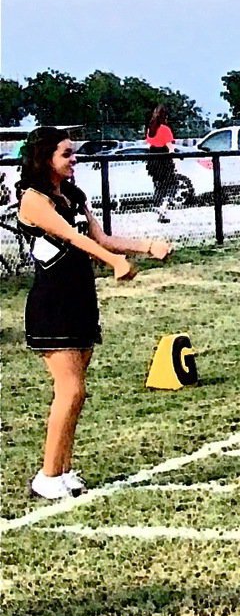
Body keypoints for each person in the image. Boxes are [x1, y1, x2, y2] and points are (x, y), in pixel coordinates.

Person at [17, 126, 172, 500]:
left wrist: (146, 246)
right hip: (51, 303)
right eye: (66, 154)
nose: (74, 160)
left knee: (77, 393)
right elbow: (74, 238)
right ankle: (48, 475)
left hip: (80, 298)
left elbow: (99, 237)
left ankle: (64, 469)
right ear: (45, 158)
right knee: (70, 390)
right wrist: (114, 263)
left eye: (74, 153)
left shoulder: (72, 194)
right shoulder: (33, 199)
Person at [145, 104, 178, 223]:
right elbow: (170, 147)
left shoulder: (150, 129)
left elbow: (149, 144)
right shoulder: (165, 129)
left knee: (158, 185)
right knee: (172, 185)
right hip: (164, 160)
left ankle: (161, 210)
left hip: (153, 159)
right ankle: (163, 206)